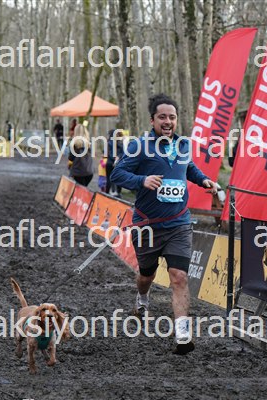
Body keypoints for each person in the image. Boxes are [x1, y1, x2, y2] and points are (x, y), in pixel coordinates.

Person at [110, 93, 217, 355]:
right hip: (148, 225)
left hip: (179, 223)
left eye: (172, 117)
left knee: (179, 277)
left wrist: (203, 179)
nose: (168, 121)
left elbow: (188, 167)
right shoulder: (139, 146)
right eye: (162, 117)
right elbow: (117, 174)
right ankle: (142, 297)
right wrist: (142, 180)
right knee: (146, 275)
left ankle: (182, 335)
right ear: (153, 120)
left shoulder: (183, 145)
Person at [106, 129, 124, 197]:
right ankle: (118, 192)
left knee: (109, 178)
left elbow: (108, 153)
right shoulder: (120, 143)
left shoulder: (109, 143)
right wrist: (117, 158)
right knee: (118, 178)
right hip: (118, 163)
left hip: (110, 163)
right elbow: (123, 153)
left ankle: (107, 193)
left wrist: (115, 159)